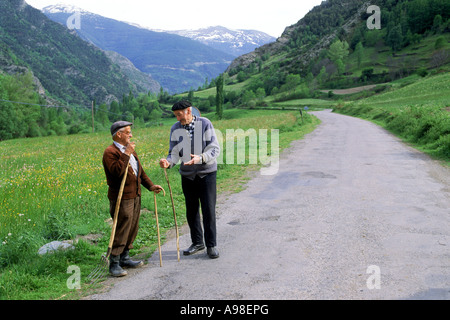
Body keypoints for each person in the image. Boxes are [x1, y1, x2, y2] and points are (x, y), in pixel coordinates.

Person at [159, 100, 220, 259]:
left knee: (208, 210)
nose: (178, 118)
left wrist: (200, 158)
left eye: (179, 114)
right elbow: (174, 152)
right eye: (175, 115)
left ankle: (211, 245)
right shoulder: (175, 128)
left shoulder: (205, 123)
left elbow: (214, 149)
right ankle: (197, 242)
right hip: (187, 176)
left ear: (188, 110)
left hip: (206, 173)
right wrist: (168, 162)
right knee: (191, 211)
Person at [103, 121, 163, 277]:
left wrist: (150, 186)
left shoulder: (130, 151)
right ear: (119, 134)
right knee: (122, 227)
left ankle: (125, 257)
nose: (131, 135)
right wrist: (126, 153)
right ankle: (114, 262)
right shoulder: (110, 152)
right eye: (128, 132)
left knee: (132, 226)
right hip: (121, 197)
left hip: (135, 195)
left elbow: (139, 172)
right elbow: (117, 172)